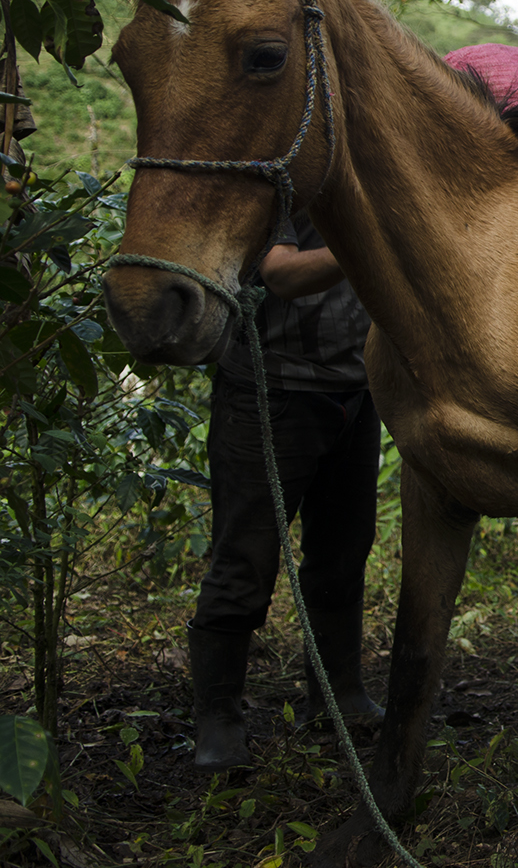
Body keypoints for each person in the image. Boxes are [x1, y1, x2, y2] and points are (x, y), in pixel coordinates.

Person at [188, 214, 385, 770]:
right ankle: (218, 721)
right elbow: (283, 275)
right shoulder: (280, 183)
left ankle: (338, 696)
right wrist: (374, 233)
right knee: (244, 562)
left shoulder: (358, 170)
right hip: (270, 395)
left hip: (356, 390)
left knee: (344, 555)